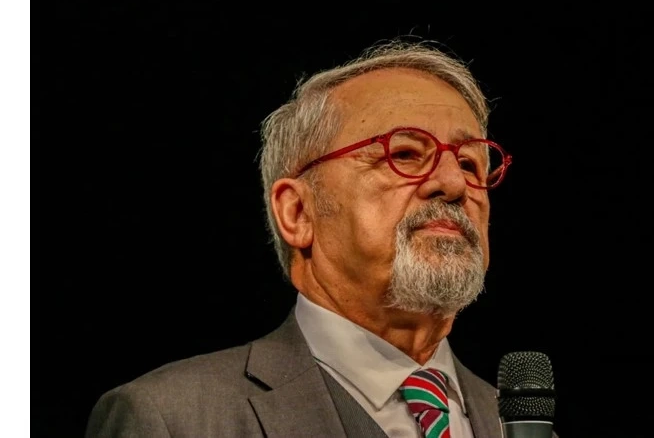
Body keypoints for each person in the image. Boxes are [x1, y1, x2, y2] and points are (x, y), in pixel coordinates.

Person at [85, 39, 522, 438]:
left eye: (469, 163)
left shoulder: (522, 428)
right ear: (298, 212)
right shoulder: (173, 420)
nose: (454, 184)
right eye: (404, 154)